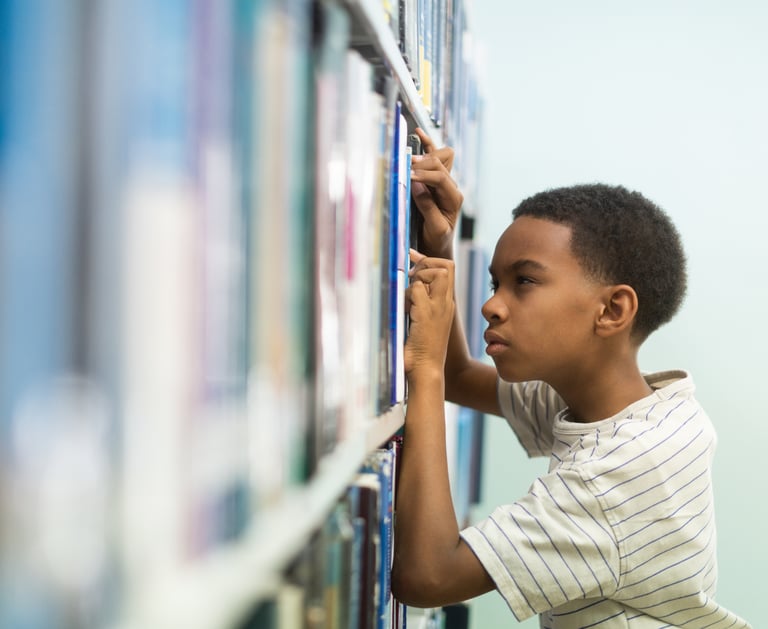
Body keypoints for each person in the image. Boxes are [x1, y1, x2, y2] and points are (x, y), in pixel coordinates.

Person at [391, 128, 751, 628]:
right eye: (497, 283)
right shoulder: (629, 403)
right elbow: (458, 377)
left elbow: (427, 578)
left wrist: (423, 370)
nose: (491, 305)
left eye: (526, 282)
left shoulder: (619, 475)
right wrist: (439, 242)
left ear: (612, 309)